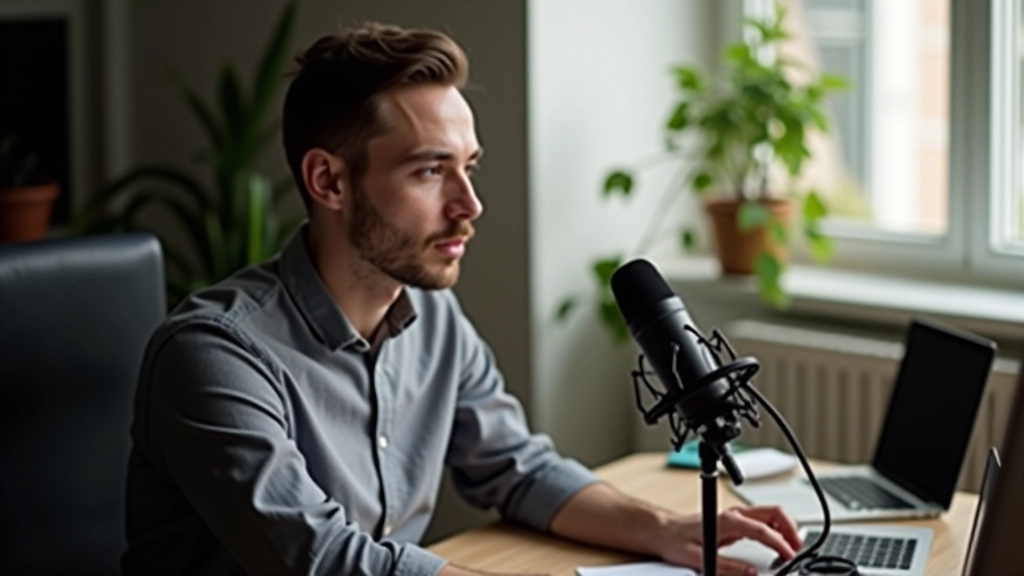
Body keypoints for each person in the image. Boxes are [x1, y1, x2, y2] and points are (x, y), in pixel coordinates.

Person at [121, 22, 802, 576]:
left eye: (468, 167)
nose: (469, 205)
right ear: (329, 181)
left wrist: (662, 529)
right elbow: (321, 561)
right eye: (429, 171)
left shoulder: (432, 316)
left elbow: (517, 467)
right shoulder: (215, 355)